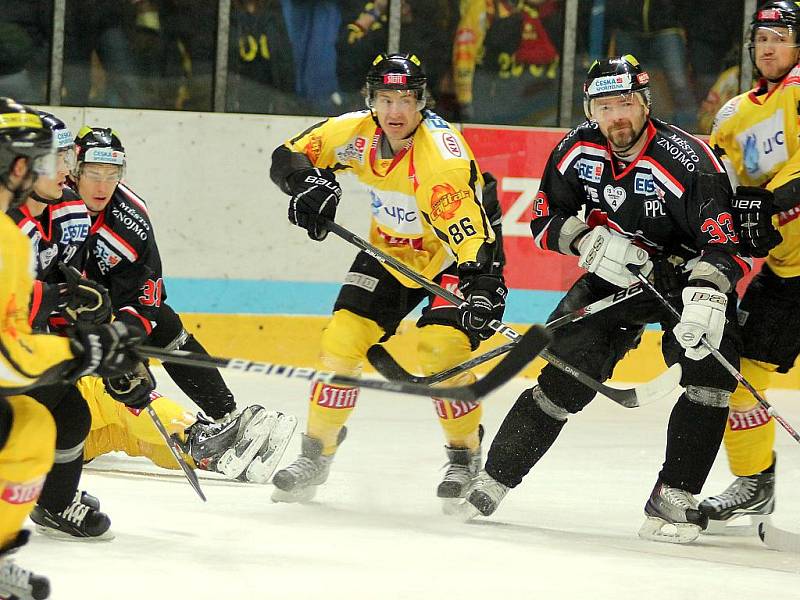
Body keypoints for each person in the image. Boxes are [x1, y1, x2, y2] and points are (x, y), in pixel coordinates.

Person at [459, 55, 750, 545]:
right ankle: (493, 479)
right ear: (591, 108)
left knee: (712, 372)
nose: (617, 116)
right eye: (604, 105)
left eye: (626, 103)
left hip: (681, 281)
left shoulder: (688, 160)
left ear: (645, 103)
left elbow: (724, 245)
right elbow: (544, 219)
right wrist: (587, 242)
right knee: (563, 376)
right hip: (611, 280)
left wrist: (706, 296)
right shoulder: (575, 150)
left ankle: (674, 495)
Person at [269, 53, 505, 509]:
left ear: (422, 102)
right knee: (341, 341)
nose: (395, 111)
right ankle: (316, 453)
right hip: (390, 252)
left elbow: (467, 231)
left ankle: (464, 454)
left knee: (441, 351)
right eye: (385, 98)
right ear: (371, 100)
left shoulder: (440, 158)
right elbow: (288, 156)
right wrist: (305, 185)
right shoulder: (357, 131)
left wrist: (481, 280)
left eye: (405, 99)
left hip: (454, 258)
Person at [69, 126, 296, 484]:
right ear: (75, 170)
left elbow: (146, 300)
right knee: (105, 392)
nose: (102, 186)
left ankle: (214, 438)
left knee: (154, 339)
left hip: (69, 432)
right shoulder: (48, 206)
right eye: (94, 174)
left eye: (112, 176)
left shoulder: (129, 220)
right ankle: (198, 435)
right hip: (53, 344)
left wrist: (120, 337)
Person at [0, 97, 141, 600]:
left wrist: (66, 304)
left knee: (49, 420)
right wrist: (85, 354)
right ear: (17, 165)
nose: (64, 169)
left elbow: (18, 310)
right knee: (28, 418)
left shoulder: (17, 232)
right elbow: (8, 354)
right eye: (49, 159)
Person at [700, 1, 800, 528]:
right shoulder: (733, 115)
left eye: (781, 36)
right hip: (788, 274)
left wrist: (772, 200)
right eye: (761, 38)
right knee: (742, 380)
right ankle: (755, 481)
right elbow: (717, 187)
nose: (768, 46)